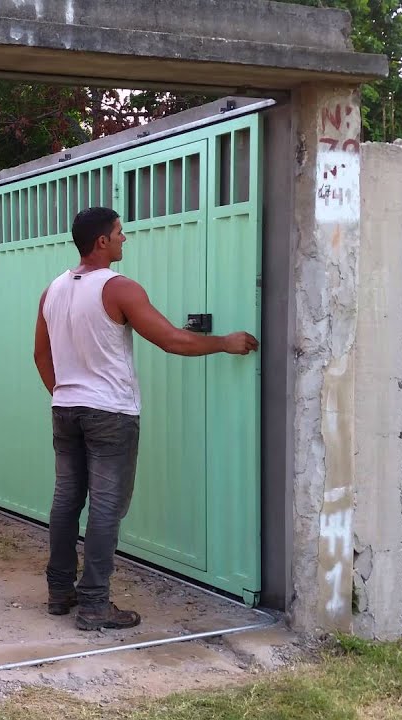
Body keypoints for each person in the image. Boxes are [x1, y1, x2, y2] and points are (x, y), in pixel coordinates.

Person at [33, 206, 259, 631]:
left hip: (65, 409)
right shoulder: (118, 288)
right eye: (119, 232)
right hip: (110, 413)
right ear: (102, 241)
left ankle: (60, 591)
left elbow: (41, 355)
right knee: (105, 506)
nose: (125, 238)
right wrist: (225, 342)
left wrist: (66, 395)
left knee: (66, 500)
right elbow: (171, 340)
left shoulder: (53, 291)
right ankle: (94, 604)